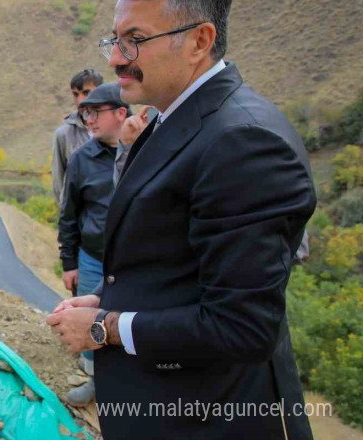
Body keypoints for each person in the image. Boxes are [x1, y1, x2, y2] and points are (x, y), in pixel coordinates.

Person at [45, 0, 316, 439]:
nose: (115, 58)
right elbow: (175, 268)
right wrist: (105, 300)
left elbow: (240, 327)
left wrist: (103, 328)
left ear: (199, 41)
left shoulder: (243, 141)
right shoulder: (174, 119)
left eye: (134, 41)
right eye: (115, 40)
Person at [57, 83, 132, 405]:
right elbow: (69, 214)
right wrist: (69, 262)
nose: (87, 120)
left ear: (121, 113)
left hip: (132, 261)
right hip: (92, 259)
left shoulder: (147, 152)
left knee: (130, 321)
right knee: (91, 323)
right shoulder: (81, 159)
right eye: (84, 113)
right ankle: (95, 381)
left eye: (94, 112)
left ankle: (131, 384)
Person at [51, 69, 104, 206]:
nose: (80, 100)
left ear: (101, 91)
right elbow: (58, 181)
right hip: (77, 216)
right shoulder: (63, 134)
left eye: (86, 93)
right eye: (75, 94)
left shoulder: (117, 128)